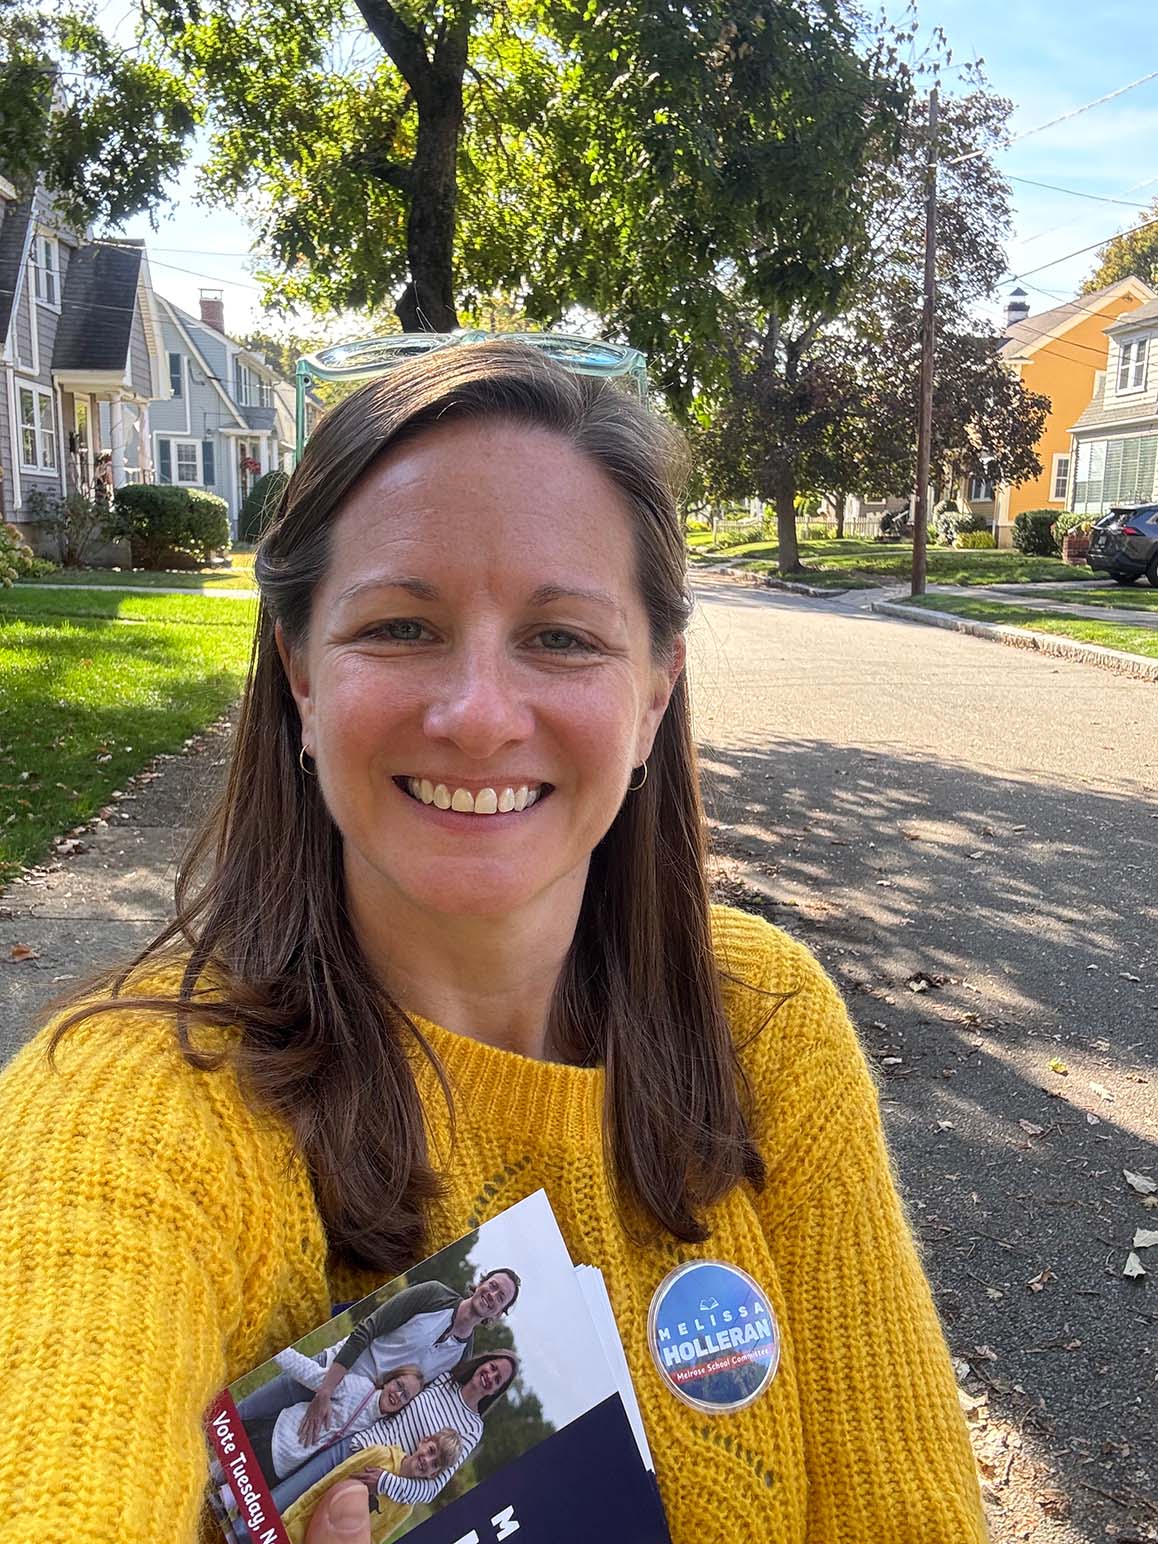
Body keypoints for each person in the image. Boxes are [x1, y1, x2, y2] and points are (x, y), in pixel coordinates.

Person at [0, 340, 988, 1544]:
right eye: (400, 625)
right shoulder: (135, 1108)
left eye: (562, 637)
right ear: (301, 675)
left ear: (655, 694)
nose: (476, 715)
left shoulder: (762, 1021)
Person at [235, 1268, 518, 1444]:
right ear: (481, 1282)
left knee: (271, 1451)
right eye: (492, 1285)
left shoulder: (463, 1357)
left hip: (354, 1414)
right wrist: (325, 1390)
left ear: (498, 1314)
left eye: (501, 1297)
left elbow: (416, 1400)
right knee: (241, 1417)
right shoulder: (434, 1294)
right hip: (330, 1372)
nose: (492, 1295)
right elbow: (367, 1329)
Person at [269, 1354, 519, 1519]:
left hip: (374, 1481)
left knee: (305, 1524)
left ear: (497, 1391)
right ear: (484, 1362)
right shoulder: (444, 1380)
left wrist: (384, 1482)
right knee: (283, 1498)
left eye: (498, 1379)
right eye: (492, 1367)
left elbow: (431, 1488)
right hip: (354, 1446)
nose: (490, 1376)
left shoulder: (472, 1429)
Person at [240, 1351, 423, 1482]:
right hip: (274, 1439)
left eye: (405, 1396)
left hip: (284, 1470)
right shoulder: (360, 1387)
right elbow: (311, 1374)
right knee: (226, 1473)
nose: (398, 1395)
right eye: (399, 1385)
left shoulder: (378, 1429)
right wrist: (277, 1349)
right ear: (388, 1380)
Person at [280, 1427, 462, 1544]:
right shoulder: (380, 1455)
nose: (427, 1460)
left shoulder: (405, 1508)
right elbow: (329, 1481)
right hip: (297, 1528)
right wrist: (289, 1518)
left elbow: (374, 1539)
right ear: (424, 1441)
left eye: (435, 1463)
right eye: (431, 1451)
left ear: (434, 1474)